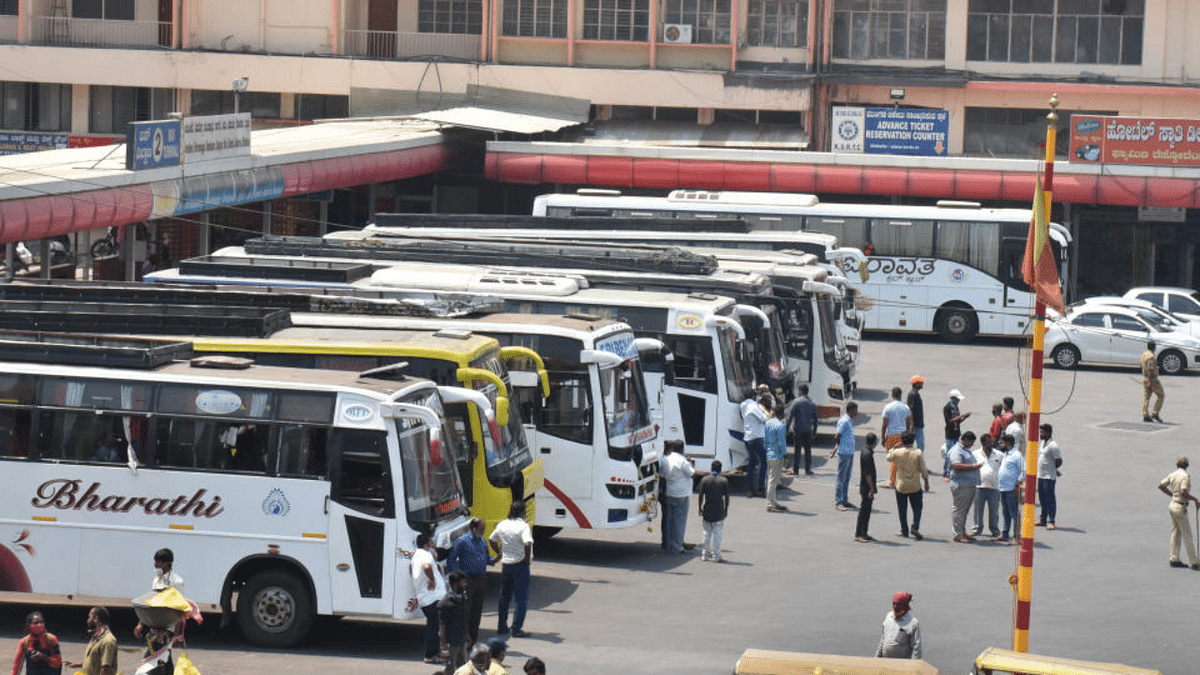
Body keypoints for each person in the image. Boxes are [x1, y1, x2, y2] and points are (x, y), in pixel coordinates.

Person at [490, 501, 534, 637]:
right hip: (520, 565)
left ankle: (502, 626)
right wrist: (526, 559)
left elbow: (492, 540)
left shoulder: (503, 524)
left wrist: (499, 553)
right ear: (522, 512)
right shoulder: (523, 526)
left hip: (507, 564)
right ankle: (516, 629)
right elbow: (527, 543)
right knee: (521, 599)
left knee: (504, 596)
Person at [447, 517, 493, 645]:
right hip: (468, 581)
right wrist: (457, 578)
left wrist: (497, 558)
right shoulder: (462, 541)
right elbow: (451, 560)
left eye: (484, 529)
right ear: (473, 529)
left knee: (476, 613)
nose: (483, 532)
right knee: (465, 612)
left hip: (481, 580)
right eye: (480, 529)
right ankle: (464, 639)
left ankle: (473, 639)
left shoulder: (483, 541)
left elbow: (488, 559)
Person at [1158, 456, 1200, 570]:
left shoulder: (1173, 474)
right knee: (1187, 535)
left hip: (1172, 505)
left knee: (1175, 533)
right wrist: (1195, 499)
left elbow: (1161, 486)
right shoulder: (1185, 476)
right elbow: (1183, 492)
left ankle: (1174, 558)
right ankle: (1195, 562)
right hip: (1180, 507)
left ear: (1177, 465)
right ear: (1187, 466)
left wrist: (1172, 495)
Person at [414, 532, 448, 664]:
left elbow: (434, 557)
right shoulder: (425, 555)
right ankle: (430, 655)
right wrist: (432, 579)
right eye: (430, 541)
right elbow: (427, 566)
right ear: (426, 543)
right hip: (432, 598)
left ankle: (434, 653)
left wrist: (432, 547)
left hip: (426, 598)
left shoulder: (419, 554)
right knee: (433, 627)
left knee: (434, 626)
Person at [887, 431, 929, 540]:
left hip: (901, 486)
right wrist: (926, 481)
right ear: (913, 441)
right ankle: (915, 526)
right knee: (917, 508)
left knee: (902, 509)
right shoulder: (918, 453)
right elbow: (923, 469)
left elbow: (888, 457)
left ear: (902, 441)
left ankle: (904, 530)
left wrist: (894, 447)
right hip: (915, 485)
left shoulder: (898, 452)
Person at [658, 439, 696, 554]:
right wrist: (691, 463)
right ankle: (677, 546)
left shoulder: (665, 460)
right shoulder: (682, 461)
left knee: (669, 520)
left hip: (669, 493)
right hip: (681, 495)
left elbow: (662, 475)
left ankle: (668, 544)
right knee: (679, 522)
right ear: (681, 449)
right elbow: (692, 473)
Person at [948, 431, 981, 543]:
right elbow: (956, 465)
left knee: (964, 510)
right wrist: (973, 466)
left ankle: (962, 531)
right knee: (959, 510)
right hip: (961, 485)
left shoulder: (965, 450)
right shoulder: (956, 451)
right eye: (971, 442)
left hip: (968, 485)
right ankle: (958, 534)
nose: (972, 444)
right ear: (965, 440)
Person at [64, 607, 116, 675]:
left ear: (96, 619)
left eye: (89, 617)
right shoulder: (97, 637)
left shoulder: (108, 641)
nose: (88, 620)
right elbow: (96, 662)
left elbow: (105, 668)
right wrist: (78, 664)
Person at [697, 459, 731, 562]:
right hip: (719, 511)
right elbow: (727, 497)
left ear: (711, 468)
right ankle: (716, 556)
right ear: (720, 469)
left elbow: (700, 495)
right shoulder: (724, 481)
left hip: (707, 509)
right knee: (717, 535)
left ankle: (704, 555)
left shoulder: (705, 480)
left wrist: (700, 507)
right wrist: (726, 509)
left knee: (706, 533)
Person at [971, 433, 1003, 540]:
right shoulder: (975, 454)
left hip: (994, 486)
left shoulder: (999, 454)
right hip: (979, 486)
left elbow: (1003, 469)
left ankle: (994, 530)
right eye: (988, 442)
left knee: (994, 510)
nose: (991, 444)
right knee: (978, 509)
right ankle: (976, 529)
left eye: (991, 442)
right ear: (983, 443)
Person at [439, 571, 471, 675]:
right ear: (455, 584)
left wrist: (467, 635)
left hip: (461, 640)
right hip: (451, 643)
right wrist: (444, 648)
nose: (466, 584)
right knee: (450, 669)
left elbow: (464, 620)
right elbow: (442, 626)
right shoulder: (445, 603)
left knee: (463, 668)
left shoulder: (463, 599)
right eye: (463, 582)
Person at [880, 386, 912, 488]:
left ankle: (892, 482)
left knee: (894, 459)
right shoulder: (906, 407)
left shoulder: (888, 407)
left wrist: (883, 438)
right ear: (900, 395)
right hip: (902, 436)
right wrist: (907, 436)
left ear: (892, 395)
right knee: (902, 459)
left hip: (891, 436)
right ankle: (903, 480)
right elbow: (908, 423)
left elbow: (884, 424)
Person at [875, 592, 922, 659]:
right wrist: (876, 659)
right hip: (885, 663)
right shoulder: (888, 617)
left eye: (898, 610)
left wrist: (913, 667)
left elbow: (917, 648)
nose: (895, 612)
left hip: (903, 665)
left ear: (905, 608)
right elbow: (883, 640)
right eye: (894, 607)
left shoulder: (913, 623)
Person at [996, 434, 1024, 543]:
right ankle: (1005, 534)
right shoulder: (1006, 454)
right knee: (1005, 513)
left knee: (1014, 513)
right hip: (1003, 488)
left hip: (1011, 488)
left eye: (1002, 442)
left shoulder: (1017, 455)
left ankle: (1017, 536)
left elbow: (1024, 471)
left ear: (1008, 443)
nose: (1000, 444)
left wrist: (1018, 484)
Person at [829, 401, 858, 511]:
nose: (857, 412)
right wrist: (837, 447)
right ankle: (839, 501)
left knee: (847, 478)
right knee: (841, 478)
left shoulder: (850, 420)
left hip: (849, 452)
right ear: (851, 410)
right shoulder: (844, 421)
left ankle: (845, 500)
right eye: (855, 410)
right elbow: (837, 435)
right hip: (844, 453)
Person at [785, 384, 818, 476]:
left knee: (797, 450)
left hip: (798, 430)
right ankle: (808, 469)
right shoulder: (812, 403)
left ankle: (796, 469)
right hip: (808, 430)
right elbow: (815, 419)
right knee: (808, 450)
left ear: (800, 391)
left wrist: (786, 429)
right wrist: (815, 430)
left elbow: (789, 417)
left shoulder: (796, 402)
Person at [741, 393, 770, 497]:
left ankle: (750, 490)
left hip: (747, 438)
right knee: (764, 461)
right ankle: (761, 488)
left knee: (751, 463)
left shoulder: (743, 405)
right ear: (753, 397)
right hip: (757, 437)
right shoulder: (753, 406)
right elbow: (764, 419)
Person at [1036, 423, 1062, 530]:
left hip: (1049, 476)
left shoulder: (1053, 445)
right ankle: (1043, 519)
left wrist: (1053, 469)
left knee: (1050, 498)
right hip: (1041, 475)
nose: (1040, 434)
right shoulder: (1042, 443)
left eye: (1042, 432)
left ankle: (1051, 521)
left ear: (1048, 433)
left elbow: (1059, 460)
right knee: (1042, 498)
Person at [764, 405, 789, 512]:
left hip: (769, 453)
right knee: (773, 481)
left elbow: (765, 439)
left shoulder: (768, 423)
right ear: (782, 413)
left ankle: (773, 501)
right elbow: (781, 443)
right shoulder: (781, 426)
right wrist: (785, 456)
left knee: (772, 479)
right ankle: (770, 504)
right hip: (777, 455)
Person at [855, 432, 878, 543]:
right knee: (865, 511)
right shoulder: (867, 454)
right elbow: (867, 473)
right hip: (867, 487)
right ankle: (860, 534)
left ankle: (863, 532)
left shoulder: (865, 450)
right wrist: (872, 489)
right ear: (874, 442)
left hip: (865, 486)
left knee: (866, 510)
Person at [942, 390, 969, 480]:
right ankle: (946, 473)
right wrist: (961, 416)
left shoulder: (956, 407)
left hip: (956, 432)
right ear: (953, 398)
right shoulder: (947, 407)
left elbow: (957, 421)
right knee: (949, 453)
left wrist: (964, 418)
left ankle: (953, 471)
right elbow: (949, 421)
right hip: (950, 433)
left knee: (955, 453)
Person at [1142, 340, 1165, 422]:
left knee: (1146, 397)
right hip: (1152, 379)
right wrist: (1150, 381)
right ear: (1154, 347)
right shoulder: (1151, 357)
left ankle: (1145, 414)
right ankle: (1155, 413)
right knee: (1161, 395)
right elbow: (1150, 369)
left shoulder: (1144, 354)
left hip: (1145, 378)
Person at [906, 375, 925, 453]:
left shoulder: (916, 393)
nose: (922, 383)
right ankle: (917, 462)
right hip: (916, 425)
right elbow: (911, 410)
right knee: (920, 446)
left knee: (919, 445)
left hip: (918, 424)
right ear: (916, 384)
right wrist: (912, 424)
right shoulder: (913, 394)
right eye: (921, 382)